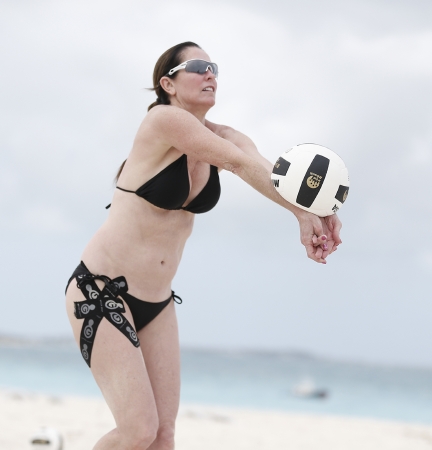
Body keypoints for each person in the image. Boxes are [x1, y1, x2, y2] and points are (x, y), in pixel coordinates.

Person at [65, 41, 342, 450]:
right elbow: (236, 163)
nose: (210, 73)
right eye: (197, 67)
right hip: (102, 291)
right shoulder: (163, 121)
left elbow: (271, 172)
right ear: (168, 84)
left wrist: (319, 210)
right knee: (137, 431)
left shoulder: (225, 135)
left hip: (157, 301)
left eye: (213, 68)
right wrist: (301, 216)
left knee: (163, 437)